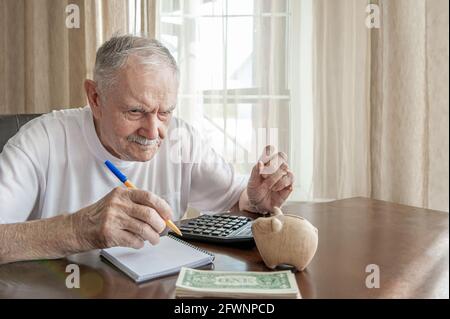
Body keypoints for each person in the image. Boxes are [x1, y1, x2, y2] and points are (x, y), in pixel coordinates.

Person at [0, 35, 294, 264]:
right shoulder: (42, 140)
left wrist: (256, 200)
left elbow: (235, 200)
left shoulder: (181, 139)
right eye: (135, 111)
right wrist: (78, 230)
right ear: (95, 98)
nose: (153, 132)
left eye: (164, 112)